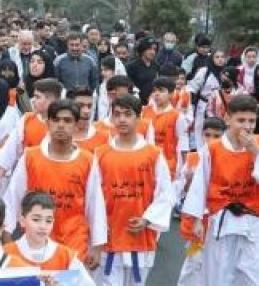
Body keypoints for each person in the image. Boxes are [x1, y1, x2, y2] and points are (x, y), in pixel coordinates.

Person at [4, 99, 107, 266]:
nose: (61, 125)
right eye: (56, 120)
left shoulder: (87, 160)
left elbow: (95, 204)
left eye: (67, 121)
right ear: (48, 123)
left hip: (74, 239)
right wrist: (6, 232)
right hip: (35, 239)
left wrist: (97, 245)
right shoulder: (31, 156)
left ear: (76, 125)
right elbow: (13, 196)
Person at [93, 94, 173, 286]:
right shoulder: (100, 154)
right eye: (117, 114)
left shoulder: (153, 154)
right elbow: (93, 198)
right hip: (110, 236)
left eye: (127, 114)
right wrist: (96, 234)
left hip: (141, 237)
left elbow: (166, 193)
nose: (121, 119)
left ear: (139, 118)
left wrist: (147, 219)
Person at [181, 95, 259, 285]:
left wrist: (255, 152)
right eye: (241, 120)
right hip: (221, 221)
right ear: (228, 119)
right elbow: (201, 183)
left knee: (250, 276)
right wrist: (198, 219)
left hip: (252, 221)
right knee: (218, 275)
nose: (247, 126)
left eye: (251, 121)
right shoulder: (214, 149)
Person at [3, 191, 95, 284]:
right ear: (22, 221)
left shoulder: (66, 257)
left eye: (48, 221)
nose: (43, 226)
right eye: (36, 219)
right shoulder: (5, 253)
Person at [176, 117, 226, 286]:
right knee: (193, 265)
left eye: (216, 136)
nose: (211, 140)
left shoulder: (229, 159)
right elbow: (180, 190)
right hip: (198, 223)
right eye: (208, 135)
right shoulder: (192, 158)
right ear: (202, 135)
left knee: (217, 266)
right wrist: (189, 181)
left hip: (220, 222)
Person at [0, 78, 63, 181]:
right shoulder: (27, 119)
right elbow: (10, 149)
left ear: (51, 100)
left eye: (37, 97)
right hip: (27, 175)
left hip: (55, 176)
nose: (33, 101)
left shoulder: (64, 124)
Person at [142, 77, 190, 180]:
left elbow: (183, 145)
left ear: (171, 94)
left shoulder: (177, 116)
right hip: (146, 164)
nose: (157, 94)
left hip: (168, 165)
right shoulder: (144, 112)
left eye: (161, 90)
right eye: (154, 90)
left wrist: (184, 170)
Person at [188, 49, 226, 149]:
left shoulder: (226, 72)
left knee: (218, 129)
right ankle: (200, 152)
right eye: (217, 57)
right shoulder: (205, 71)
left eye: (222, 57)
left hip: (220, 106)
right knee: (201, 129)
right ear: (212, 58)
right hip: (203, 104)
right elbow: (192, 88)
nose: (220, 60)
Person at [66, 86, 111, 153]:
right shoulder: (52, 136)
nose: (86, 111)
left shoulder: (104, 138)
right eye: (80, 106)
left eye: (89, 106)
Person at [126, 35, 159, 105]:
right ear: (143, 49)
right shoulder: (132, 66)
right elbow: (128, 85)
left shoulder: (156, 66)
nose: (152, 52)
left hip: (152, 103)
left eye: (154, 49)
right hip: (135, 102)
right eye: (149, 49)